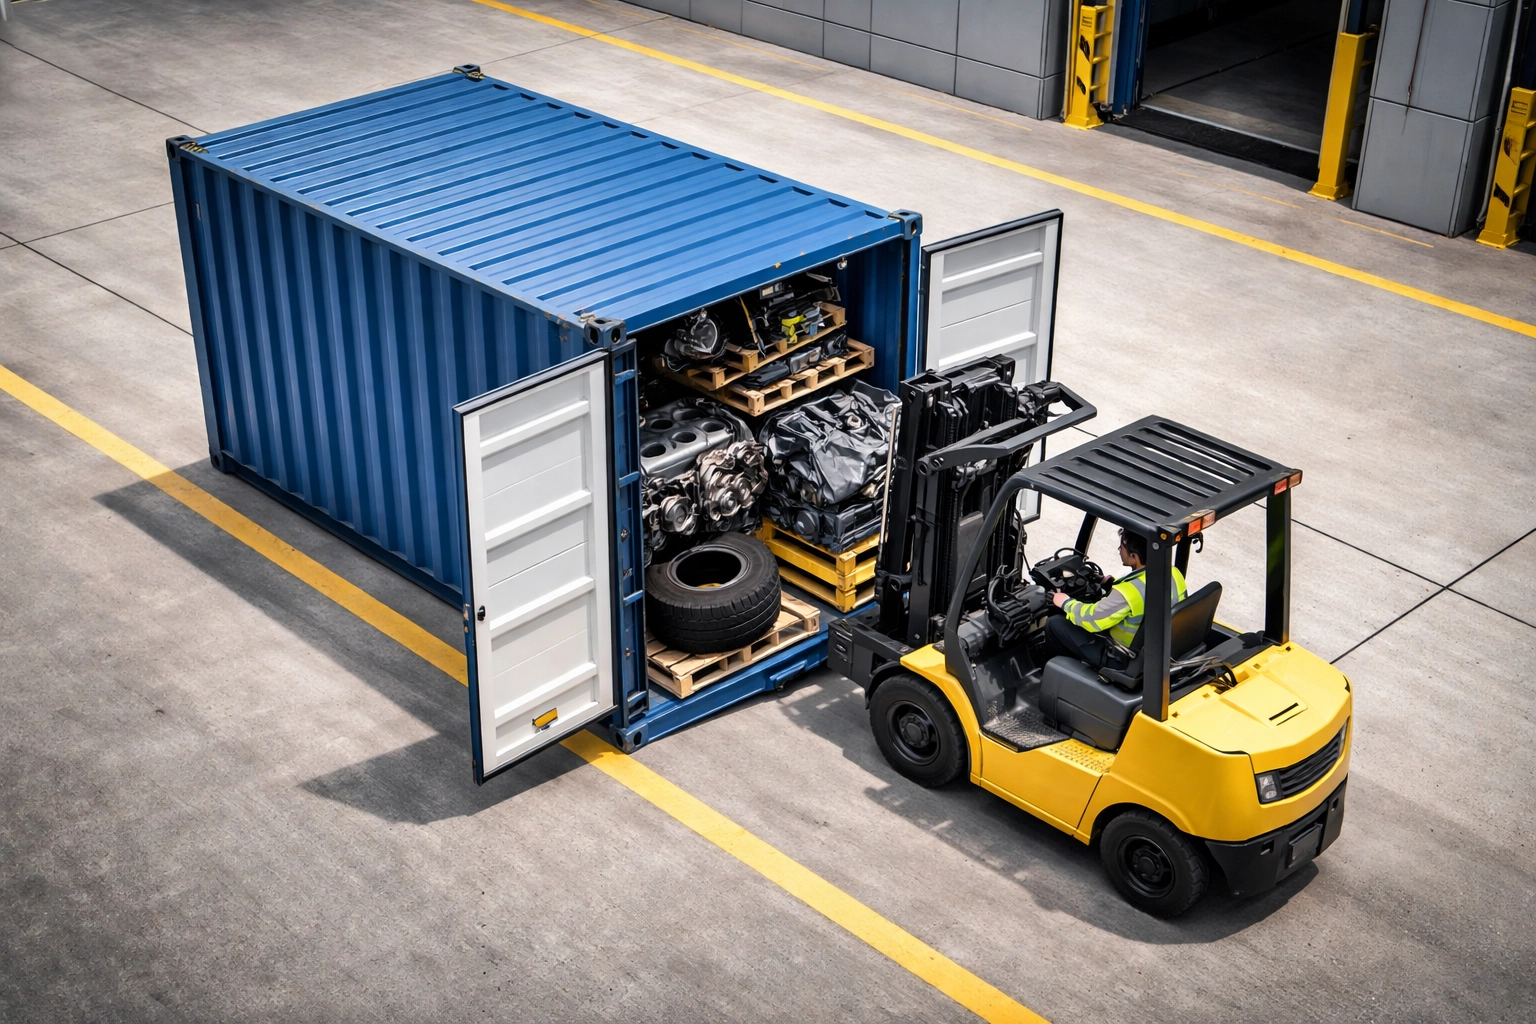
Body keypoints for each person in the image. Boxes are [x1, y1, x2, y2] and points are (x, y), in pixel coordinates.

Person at [1043, 528, 1187, 670]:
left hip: (1120, 657)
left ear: (1134, 557)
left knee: (1054, 623)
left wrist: (1065, 602)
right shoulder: (1173, 573)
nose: (1119, 549)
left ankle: (1053, 671)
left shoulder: (1127, 593)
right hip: (1154, 649)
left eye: (1122, 547)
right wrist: (1111, 583)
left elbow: (1091, 619)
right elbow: (1144, 594)